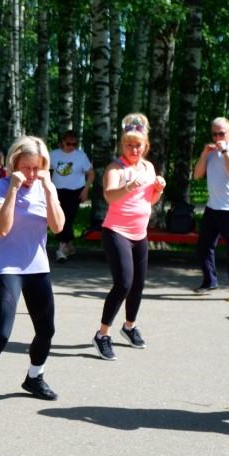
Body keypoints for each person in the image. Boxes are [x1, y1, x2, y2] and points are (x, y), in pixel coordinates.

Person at [0, 135, 64, 428]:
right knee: (2, 334)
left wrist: (49, 190)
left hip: (38, 267)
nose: (31, 174)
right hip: (8, 268)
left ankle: (34, 377)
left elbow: (58, 226)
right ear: (13, 165)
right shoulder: (1, 186)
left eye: (37, 167)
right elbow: (1, 228)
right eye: (26, 167)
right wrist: (15, 189)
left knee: (47, 330)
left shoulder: (45, 188)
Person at [91, 114, 166, 358]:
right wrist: (129, 186)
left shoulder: (148, 167)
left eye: (138, 145)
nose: (134, 149)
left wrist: (158, 190)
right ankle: (102, 334)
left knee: (138, 285)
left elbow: (150, 202)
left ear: (146, 146)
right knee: (123, 283)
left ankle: (129, 326)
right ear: (122, 145)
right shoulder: (116, 168)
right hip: (116, 232)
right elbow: (110, 196)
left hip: (139, 234)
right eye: (129, 145)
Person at [192, 117, 229, 301]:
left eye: (221, 134)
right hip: (212, 207)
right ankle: (210, 281)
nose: (218, 138)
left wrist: (224, 151)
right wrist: (203, 154)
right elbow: (197, 174)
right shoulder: (210, 151)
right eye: (214, 134)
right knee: (203, 247)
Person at [50, 130, 95, 262]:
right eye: (68, 143)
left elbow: (91, 173)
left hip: (75, 191)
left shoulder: (81, 156)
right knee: (58, 218)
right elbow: (47, 170)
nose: (71, 146)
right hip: (57, 191)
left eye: (74, 144)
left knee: (67, 219)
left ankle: (61, 249)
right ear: (62, 142)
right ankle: (69, 246)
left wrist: (86, 190)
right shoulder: (54, 154)